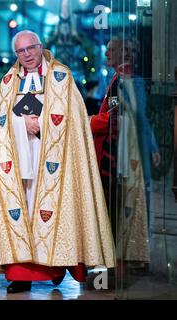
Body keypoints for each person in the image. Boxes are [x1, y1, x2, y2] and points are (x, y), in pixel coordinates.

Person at [0, 30, 116, 293]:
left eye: (31, 48)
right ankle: (21, 275)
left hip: (54, 160)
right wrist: (21, 123)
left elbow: (74, 120)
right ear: (15, 53)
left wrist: (40, 125)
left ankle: (55, 267)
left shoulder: (61, 77)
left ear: (40, 47)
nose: (26, 55)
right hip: (18, 163)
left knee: (53, 213)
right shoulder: (7, 82)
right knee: (23, 215)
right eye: (20, 51)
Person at [90, 38, 160, 264]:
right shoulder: (115, 79)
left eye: (111, 50)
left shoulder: (130, 81)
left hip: (126, 152)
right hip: (116, 151)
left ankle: (127, 257)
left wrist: (87, 122)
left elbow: (137, 118)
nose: (107, 54)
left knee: (127, 202)